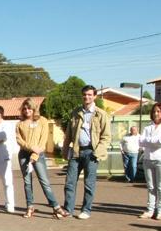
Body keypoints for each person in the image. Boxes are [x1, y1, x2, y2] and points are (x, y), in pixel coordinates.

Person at [62, 85, 111, 220]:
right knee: (70, 182)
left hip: (91, 152)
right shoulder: (76, 113)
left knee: (89, 183)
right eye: (84, 94)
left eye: (89, 95)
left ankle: (86, 210)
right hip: (76, 151)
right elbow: (68, 134)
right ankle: (68, 209)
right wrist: (65, 150)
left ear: (94, 96)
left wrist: (97, 152)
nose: (86, 97)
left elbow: (106, 136)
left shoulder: (101, 114)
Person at [16, 98, 66, 219]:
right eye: (25, 108)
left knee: (44, 181)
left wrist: (34, 155)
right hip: (24, 154)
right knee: (27, 182)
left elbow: (43, 141)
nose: (27, 110)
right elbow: (19, 141)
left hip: (38, 155)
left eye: (29, 108)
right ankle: (30, 207)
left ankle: (56, 207)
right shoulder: (20, 124)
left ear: (34, 109)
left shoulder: (42, 120)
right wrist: (31, 147)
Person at [138, 102, 161, 220]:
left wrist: (149, 141)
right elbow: (141, 141)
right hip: (148, 159)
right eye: (154, 111)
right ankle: (150, 210)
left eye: (158, 111)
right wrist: (152, 141)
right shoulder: (148, 127)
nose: (156, 114)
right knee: (151, 186)